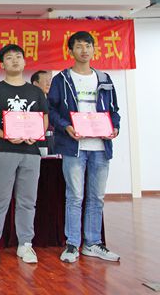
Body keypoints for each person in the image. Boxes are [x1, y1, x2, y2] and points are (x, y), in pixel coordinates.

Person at [48, 31, 121, 263]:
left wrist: (115, 128)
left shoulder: (104, 78)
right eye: (79, 46)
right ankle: (72, 244)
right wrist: (66, 126)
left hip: (100, 146)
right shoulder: (62, 79)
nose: (84, 50)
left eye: (88, 46)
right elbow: (51, 110)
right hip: (74, 147)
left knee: (96, 197)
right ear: (70, 51)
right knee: (75, 196)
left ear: (94, 49)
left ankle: (93, 243)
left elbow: (114, 111)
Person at [0, 44, 48, 265]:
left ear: (25, 62)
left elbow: (44, 119)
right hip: (2, 151)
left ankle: (25, 244)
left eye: (18, 57)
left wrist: (36, 135)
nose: (15, 60)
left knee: (28, 200)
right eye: (9, 58)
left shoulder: (36, 92)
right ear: (2, 64)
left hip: (31, 152)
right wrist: (6, 135)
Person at [31, 70, 54, 154]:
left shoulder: (54, 100)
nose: (48, 84)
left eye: (49, 81)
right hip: (35, 139)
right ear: (35, 83)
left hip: (53, 138)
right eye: (45, 81)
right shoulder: (29, 100)